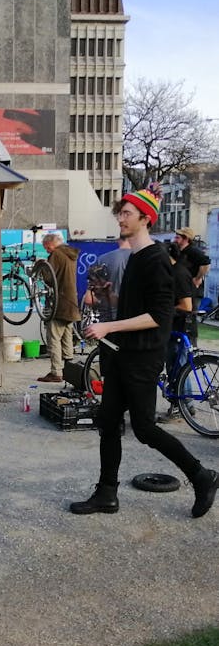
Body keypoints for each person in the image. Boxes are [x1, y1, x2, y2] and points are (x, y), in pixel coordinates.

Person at [71, 185, 218, 519]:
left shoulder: (156, 261)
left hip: (142, 357)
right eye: (120, 213)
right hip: (123, 354)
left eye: (127, 214)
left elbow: (159, 316)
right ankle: (106, 493)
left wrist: (108, 327)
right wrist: (110, 300)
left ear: (145, 218)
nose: (120, 219)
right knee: (108, 422)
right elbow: (134, 309)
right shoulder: (137, 258)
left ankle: (201, 475)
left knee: (144, 429)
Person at [156, 241, 194, 423]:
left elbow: (186, 305)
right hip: (174, 327)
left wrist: (164, 312)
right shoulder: (172, 271)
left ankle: (182, 406)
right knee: (177, 367)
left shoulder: (178, 273)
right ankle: (186, 405)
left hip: (180, 328)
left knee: (178, 368)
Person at [37, 232, 80, 383]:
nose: (46, 250)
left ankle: (56, 372)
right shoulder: (70, 254)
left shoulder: (56, 255)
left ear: (51, 244)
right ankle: (69, 369)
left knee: (54, 338)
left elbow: (49, 279)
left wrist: (41, 266)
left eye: (46, 247)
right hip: (71, 302)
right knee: (67, 336)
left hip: (59, 304)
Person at [173, 227, 210, 344]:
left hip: (191, 292)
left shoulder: (192, 251)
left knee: (189, 319)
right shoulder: (179, 252)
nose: (175, 239)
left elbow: (206, 263)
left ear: (186, 239)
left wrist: (197, 278)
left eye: (178, 237)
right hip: (180, 291)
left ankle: (191, 348)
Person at [83, 235, 131, 323]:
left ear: (118, 240)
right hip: (132, 317)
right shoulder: (140, 259)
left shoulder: (102, 259)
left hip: (107, 320)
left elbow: (89, 299)